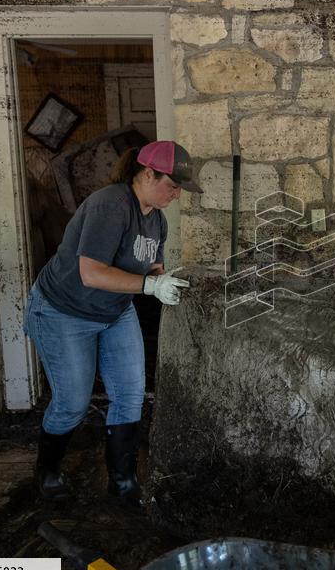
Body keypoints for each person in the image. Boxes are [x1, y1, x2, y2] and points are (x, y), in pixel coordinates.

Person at [24, 140, 203, 510]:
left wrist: (163, 279)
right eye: (172, 184)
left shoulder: (156, 219)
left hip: (115, 312)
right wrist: (150, 286)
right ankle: (48, 471)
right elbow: (90, 273)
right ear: (147, 174)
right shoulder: (110, 204)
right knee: (73, 402)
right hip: (63, 311)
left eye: (180, 187)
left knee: (130, 394)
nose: (177, 193)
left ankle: (123, 482)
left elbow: (151, 264)